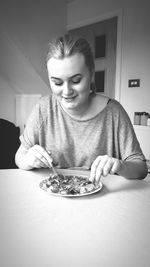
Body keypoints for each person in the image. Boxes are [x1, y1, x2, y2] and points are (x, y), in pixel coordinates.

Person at [15, 33, 148, 183]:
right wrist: (28, 159)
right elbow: (19, 157)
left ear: (91, 74)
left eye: (76, 80)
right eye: (57, 83)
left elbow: (141, 168)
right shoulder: (43, 108)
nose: (66, 91)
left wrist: (120, 166)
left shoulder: (114, 112)